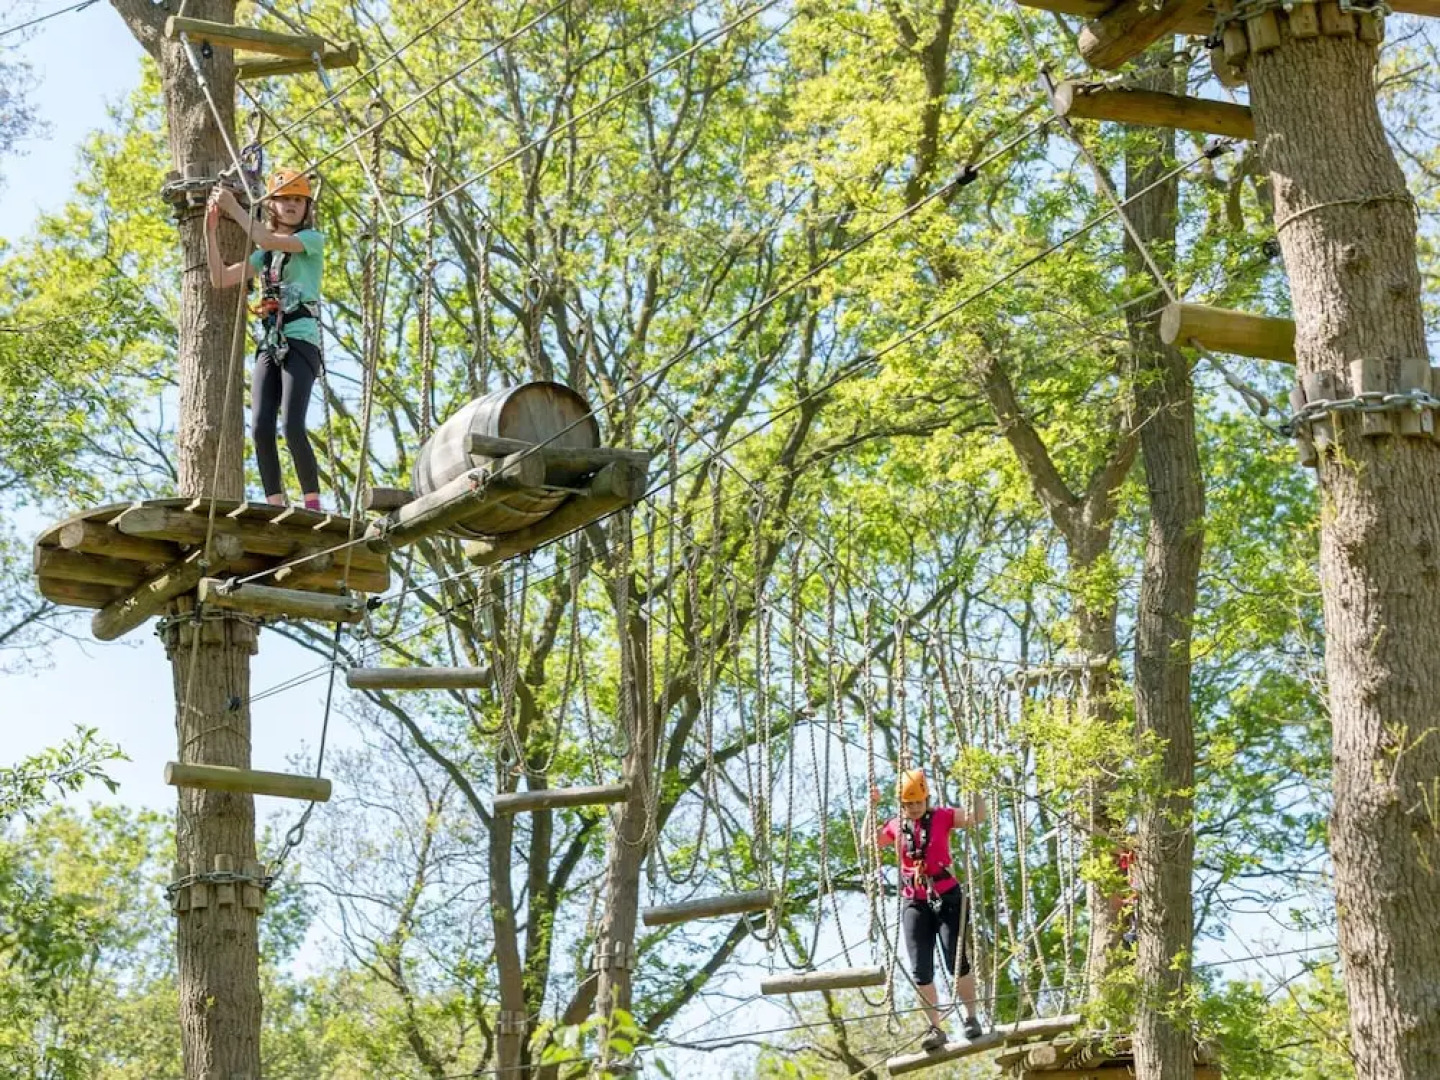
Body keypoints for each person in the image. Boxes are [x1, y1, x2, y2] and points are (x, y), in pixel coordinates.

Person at [205, 168, 325, 511]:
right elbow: (219, 278)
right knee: (259, 428)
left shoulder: (311, 241)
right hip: (270, 344)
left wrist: (234, 208)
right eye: (284, 198)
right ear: (272, 205)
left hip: (301, 340)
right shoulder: (264, 257)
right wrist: (210, 232)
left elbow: (268, 239)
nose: (291, 205)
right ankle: (275, 502)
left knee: (291, 425)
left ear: (306, 208)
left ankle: (312, 502)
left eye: (298, 200)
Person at [871, 768, 986, 1052]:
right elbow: (870, 842)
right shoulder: (895, 825)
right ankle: (935, 1028)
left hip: (946, 895)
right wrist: (870, 808)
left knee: (955, 958)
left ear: (927, 799)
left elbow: (977, 816)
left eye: (918, 803)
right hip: (915, 900)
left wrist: (975, 786)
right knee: (920, 968)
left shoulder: (943, 816)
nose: (913, 808)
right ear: (901, 804)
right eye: (908, 804)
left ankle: (971, 1018)